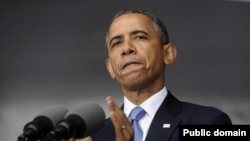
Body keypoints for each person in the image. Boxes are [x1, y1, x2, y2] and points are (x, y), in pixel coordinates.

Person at [72, 8, 232, 141]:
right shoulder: (94, 137)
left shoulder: (209, 122)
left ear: (168, 54)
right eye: (117, 43)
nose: (127, 48)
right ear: (110, 68)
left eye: (140, 37)